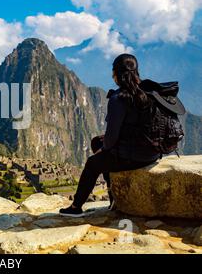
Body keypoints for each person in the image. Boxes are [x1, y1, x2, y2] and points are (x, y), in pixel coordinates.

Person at [59, 54, 161, 217]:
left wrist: (103, 151)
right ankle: (113, 197)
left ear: (116, 74)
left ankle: (76, 207)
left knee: (93, 163)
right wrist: (103, 146)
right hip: (152, 152)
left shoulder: (118, 98)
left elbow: (112, 138)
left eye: (113, 72)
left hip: (134, 155)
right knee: (96, 142)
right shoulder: (147, 91)